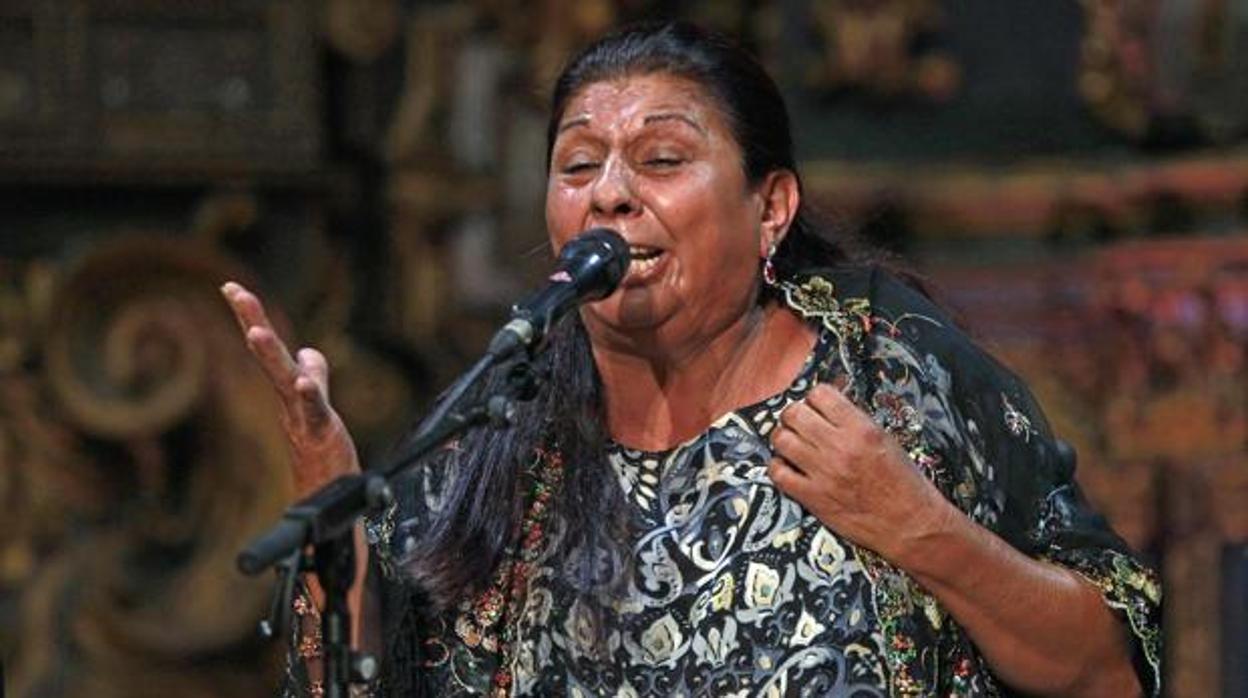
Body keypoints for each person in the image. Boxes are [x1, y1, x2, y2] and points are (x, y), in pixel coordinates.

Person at [222, 20, 1161, 698]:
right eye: (579, 165)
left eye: (662, 160)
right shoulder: (496, 444)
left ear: (771, 209)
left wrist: (920, 528)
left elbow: (1106, 674)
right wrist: (329, 488)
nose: (611, 196)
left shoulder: (888, 379)